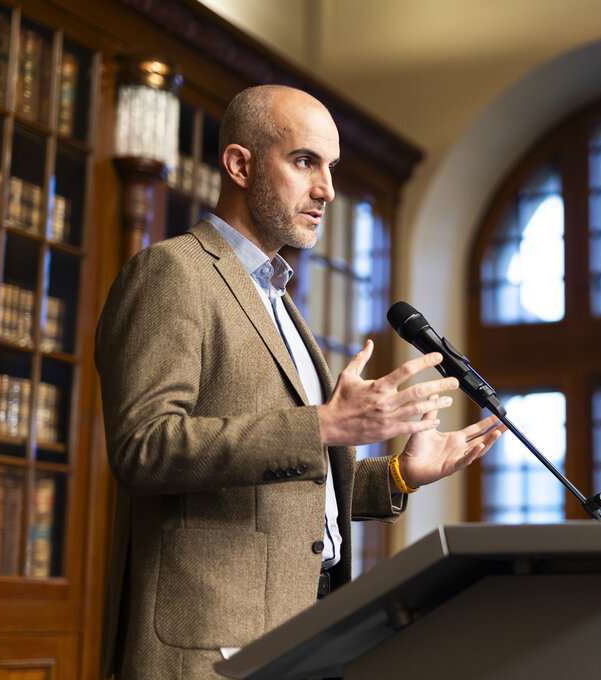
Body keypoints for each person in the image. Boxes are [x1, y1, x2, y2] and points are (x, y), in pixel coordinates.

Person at [95, 84, 504, 679]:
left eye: (331, 168)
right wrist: (324, 424)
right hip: (208, 646)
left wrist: (398, 474)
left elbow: (290, 486)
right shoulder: (173, 273)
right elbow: (144, 448)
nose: (327, 190)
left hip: (304, 629)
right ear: (240, 165)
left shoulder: (279, 300)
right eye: (305, 161)